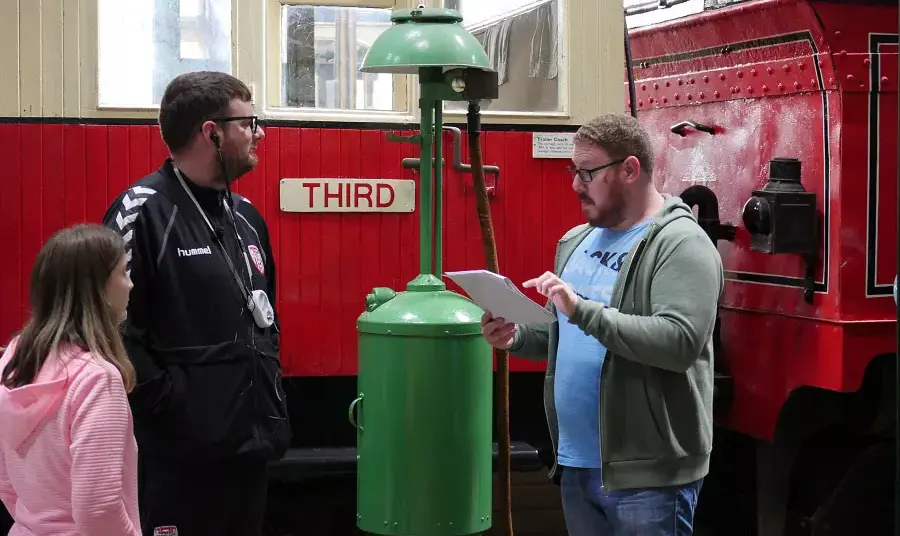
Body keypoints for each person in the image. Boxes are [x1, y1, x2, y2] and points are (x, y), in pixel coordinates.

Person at [481, 113, 723, 535]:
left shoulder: (681, 243)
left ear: (630, 169)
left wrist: (580, 309)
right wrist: (516, 335)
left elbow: (678, 342)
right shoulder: (576, 241)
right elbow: (564, 335)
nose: (576, 184)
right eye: (573, 171)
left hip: (648, 476)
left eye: (588, 172)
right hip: (577, 464)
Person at [101, 71, 291, 536]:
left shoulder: (246, 218)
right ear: (212, 132)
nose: (259, 133)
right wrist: (175, 405)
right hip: (177, 461)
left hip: (249, 453)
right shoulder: (141, 211)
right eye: (248, 122)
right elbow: (109, 326)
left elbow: (266, 317)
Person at [0, 223, 140, 536]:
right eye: (123, 272)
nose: (130, 285)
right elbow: (99, 508)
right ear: (97, 288)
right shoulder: (98, 379)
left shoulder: (12, 359)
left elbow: (6, 483)